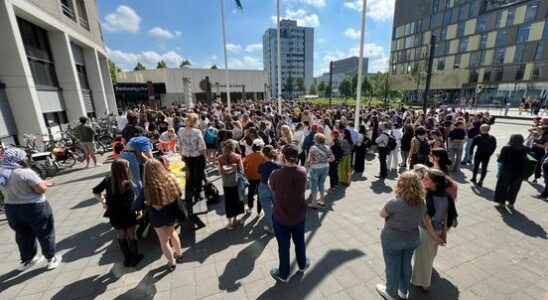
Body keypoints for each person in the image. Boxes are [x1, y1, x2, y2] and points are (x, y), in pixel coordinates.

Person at [0, 148, 61, 271]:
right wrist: (46, 184)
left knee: (23, 235)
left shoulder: (2, 172)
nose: (26, 158)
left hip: (12, 209)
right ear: (19, 159)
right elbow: (41, 190)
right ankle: (51, 258)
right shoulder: (25, 173)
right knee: (45, 232)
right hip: (34, 207)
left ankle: (27, 260)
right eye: (24, 157)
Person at [376, 171, 425, 300]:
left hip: (393, 239)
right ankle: (403, 291)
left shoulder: (394, 202)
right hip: (412, 238)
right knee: (406, 265)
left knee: (392, 266)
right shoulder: (422, 202)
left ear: (400, 184)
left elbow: (382, 214)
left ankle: (391, 292)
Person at [269, 144, 311, 283]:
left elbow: (271, 187)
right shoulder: (303, 171)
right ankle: (302, 264)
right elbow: (305, 187)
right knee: (299, 241)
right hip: (299, 215)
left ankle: (284, 273)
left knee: (283, 246)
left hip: (281, 217)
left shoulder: (276, 174)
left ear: (283, 157)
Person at [411, 169, 457, 293]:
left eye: (426, 179)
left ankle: (424, 284)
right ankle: (423, 278)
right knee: (430, 256)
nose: (422, 180)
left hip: (426, 233)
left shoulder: (426, 197)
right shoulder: (446, 195)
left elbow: (427, 222)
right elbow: (447, 216)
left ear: (435, 183)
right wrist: (443, 234)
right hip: (437, 231)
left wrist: (436, 238)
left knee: (423, 258)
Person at [92, 159, 142, 267]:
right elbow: (133, 201)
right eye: (127, 166)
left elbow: (96, 191)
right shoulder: (128, 183)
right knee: (131, 233)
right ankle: (135, 257)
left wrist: (103, 202)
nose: (129, 168)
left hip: (114, 213)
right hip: (128, 213)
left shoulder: (108, 179)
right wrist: (139, 211)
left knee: (120, 233)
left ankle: (127, 258)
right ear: (123, 169)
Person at [140, 159, 183, 271]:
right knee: (173, 233)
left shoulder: (147, 185)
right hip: (169, 212)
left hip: (156, 215)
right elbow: (179, 193)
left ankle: (172, 263)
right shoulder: (170, 178)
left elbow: (141, 203)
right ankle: (179, 254)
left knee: (163, 240)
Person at [178, 113, 208, 204]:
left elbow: (179, 145)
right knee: (198, 176)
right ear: (195, 121)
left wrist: (182, 154)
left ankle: (191, 192)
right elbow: (202, 147)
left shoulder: (181, 131)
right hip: (197, 157)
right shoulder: (197, 131)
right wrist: (206, 157)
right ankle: (197, 194)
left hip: (187, 156)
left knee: (190, 175)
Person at [494, 134, 528, 208]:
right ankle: (511, 203)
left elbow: (500, 159)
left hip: (506, 170)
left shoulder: (506, 148)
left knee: (503, 187)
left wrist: (498, 155)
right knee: (515, 188)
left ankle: (501, 202)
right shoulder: (526, 148)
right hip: (519, 171)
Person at [218, 139, 245, 230]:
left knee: (228, 202)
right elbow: (241, 170)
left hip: (226, 183)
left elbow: (220, 172)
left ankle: (229, 224)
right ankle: (235, 219)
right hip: (236, 182)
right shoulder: (237, 157)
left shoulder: (220, 158)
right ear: (233, 147)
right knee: (237, 200)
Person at [258, 145, 282, 234]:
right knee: (277, 206)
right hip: (275, 187)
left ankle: (271, 227)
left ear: (264, 155)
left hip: (263, 186)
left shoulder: (261, 165)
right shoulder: (278, 165)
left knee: (267, 208)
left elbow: (259, 172)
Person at [306, 133, 334, 209]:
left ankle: (314, 203)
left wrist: (310, 163)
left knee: (314, 185)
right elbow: (332, 159)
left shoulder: (313, 148)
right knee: (321, 184)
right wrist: (324, 160)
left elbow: (309, 160)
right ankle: (322, 201)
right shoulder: (327, 148)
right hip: (325, 167)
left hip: (315, 168)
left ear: (316, 140)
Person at [243, 139, 267, 215]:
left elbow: (243, 163)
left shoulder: (249, 156)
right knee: (260, 193)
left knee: (250, 192)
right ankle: (259, 211)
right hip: (260, 177)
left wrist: (246, 170)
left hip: (251, 177)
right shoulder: (263, 156)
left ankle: (250, 208)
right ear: (260, 147)